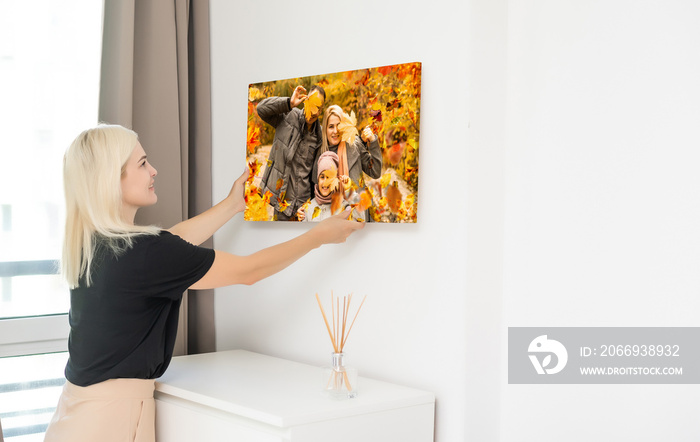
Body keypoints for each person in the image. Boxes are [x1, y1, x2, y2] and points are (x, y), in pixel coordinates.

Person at [44, 124, 363, 442]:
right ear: (112, 180)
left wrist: (232, 205)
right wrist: (320, 236)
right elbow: (248, 271)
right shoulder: (143, 254)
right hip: (109, 421)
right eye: (142, 164)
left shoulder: (93, 244)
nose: (153, 170)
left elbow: (170, 242)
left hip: (73, 414)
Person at [257, 84, 326, 221]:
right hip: (282, 203)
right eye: (312, 104)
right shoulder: (287, 115)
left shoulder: (320, 136)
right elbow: (261, 109)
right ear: (305, 100)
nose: (313, 111)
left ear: (321, 110)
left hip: (304, 208)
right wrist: (289, 103)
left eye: (318, 107)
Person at [312, 104, 382, 196]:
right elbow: (316, 190)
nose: (336, 131)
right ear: (325, 129)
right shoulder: (320, 154)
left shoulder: (354, 144)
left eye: (339, 125)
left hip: (358, 207)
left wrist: (372, 141)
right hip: (333, 209)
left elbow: (375, 172)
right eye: (331, 127)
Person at [297, 151, 363, 222]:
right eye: (322, 177)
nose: (325, 182)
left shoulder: (343, 206)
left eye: (329, 177)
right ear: (318, 179)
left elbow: (360, 219)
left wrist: (349, 192)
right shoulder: (308, 208)